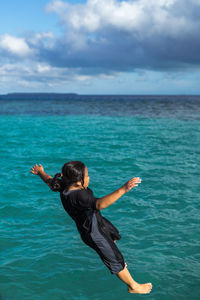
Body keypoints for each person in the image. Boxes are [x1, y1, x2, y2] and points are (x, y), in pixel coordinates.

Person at [30, 160, 152, 294]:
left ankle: (113, 258)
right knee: (115, 259)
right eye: (87, 175)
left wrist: (40, 172)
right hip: (93, 232)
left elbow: (49, 181)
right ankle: (132, 286)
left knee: (113, 235)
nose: (89, 178)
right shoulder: (79, 195)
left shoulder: (64, 185)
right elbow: (99, 204)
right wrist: (124, 189)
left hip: (96, 222)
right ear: (78, 180)